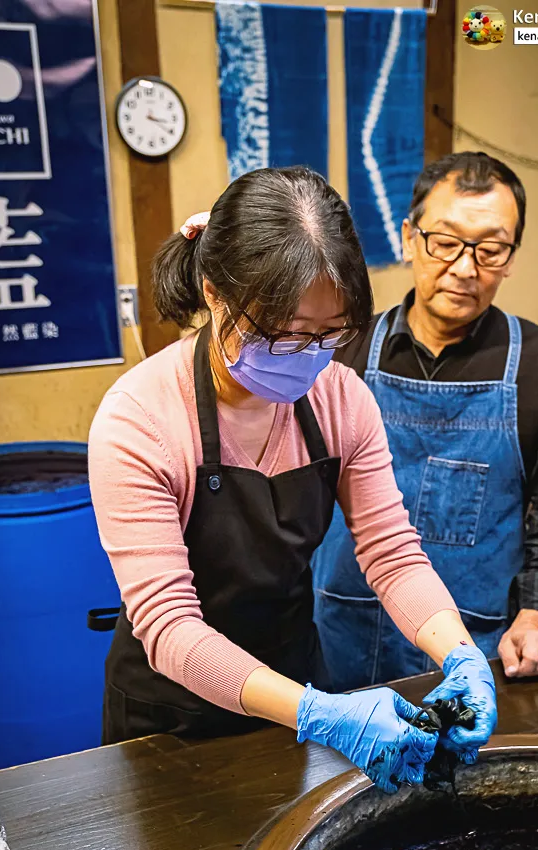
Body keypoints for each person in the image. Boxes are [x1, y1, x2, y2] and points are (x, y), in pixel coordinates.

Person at [88, 166, 497, 794]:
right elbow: (168, 626)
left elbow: (392, 555)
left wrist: (461, 656)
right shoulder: (139, 418)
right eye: (284, 335)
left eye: (329, 334)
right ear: (216, 294)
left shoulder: (342, 400)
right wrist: (318, 713)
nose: (308, 356)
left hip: (295, 682)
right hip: (169, 718)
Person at [313, 152, 538, 689]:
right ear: (409, 238)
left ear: (511, 258)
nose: (466, 269)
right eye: (445, 242)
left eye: (490, 249)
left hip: (471, 651)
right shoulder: (340, 350)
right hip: (335, 639)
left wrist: (535, 618)